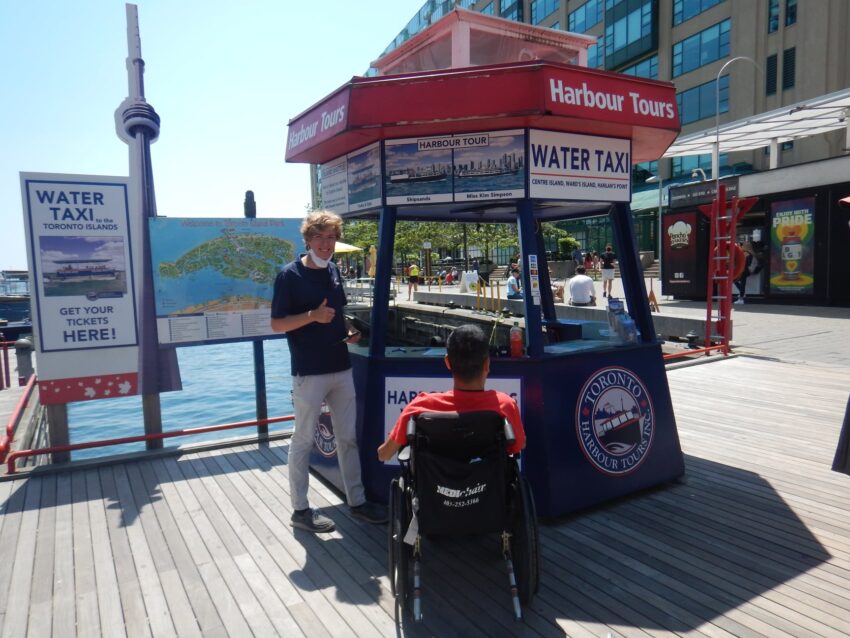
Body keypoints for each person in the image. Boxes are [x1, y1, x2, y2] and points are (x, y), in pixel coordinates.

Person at [271, 210, 386, 533]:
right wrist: (312, 315)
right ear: (308, 239)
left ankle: (357, 502)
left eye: (331, 237)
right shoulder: (289, 276)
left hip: (340, 366)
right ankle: (300, 510)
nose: (326, 244)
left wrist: (349, 328)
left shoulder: (333, 270)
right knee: (303, 439)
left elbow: (337, 315)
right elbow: (278, 324)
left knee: (348, 438)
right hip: (309, 371)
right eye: (319, 237)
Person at [377, 324, 526, 462]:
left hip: (433, 489)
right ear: (487, 364)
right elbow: (518, 446)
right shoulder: (505, 405)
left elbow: (384, 454)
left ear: (447, 363)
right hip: (490, 488)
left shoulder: (419, 406)